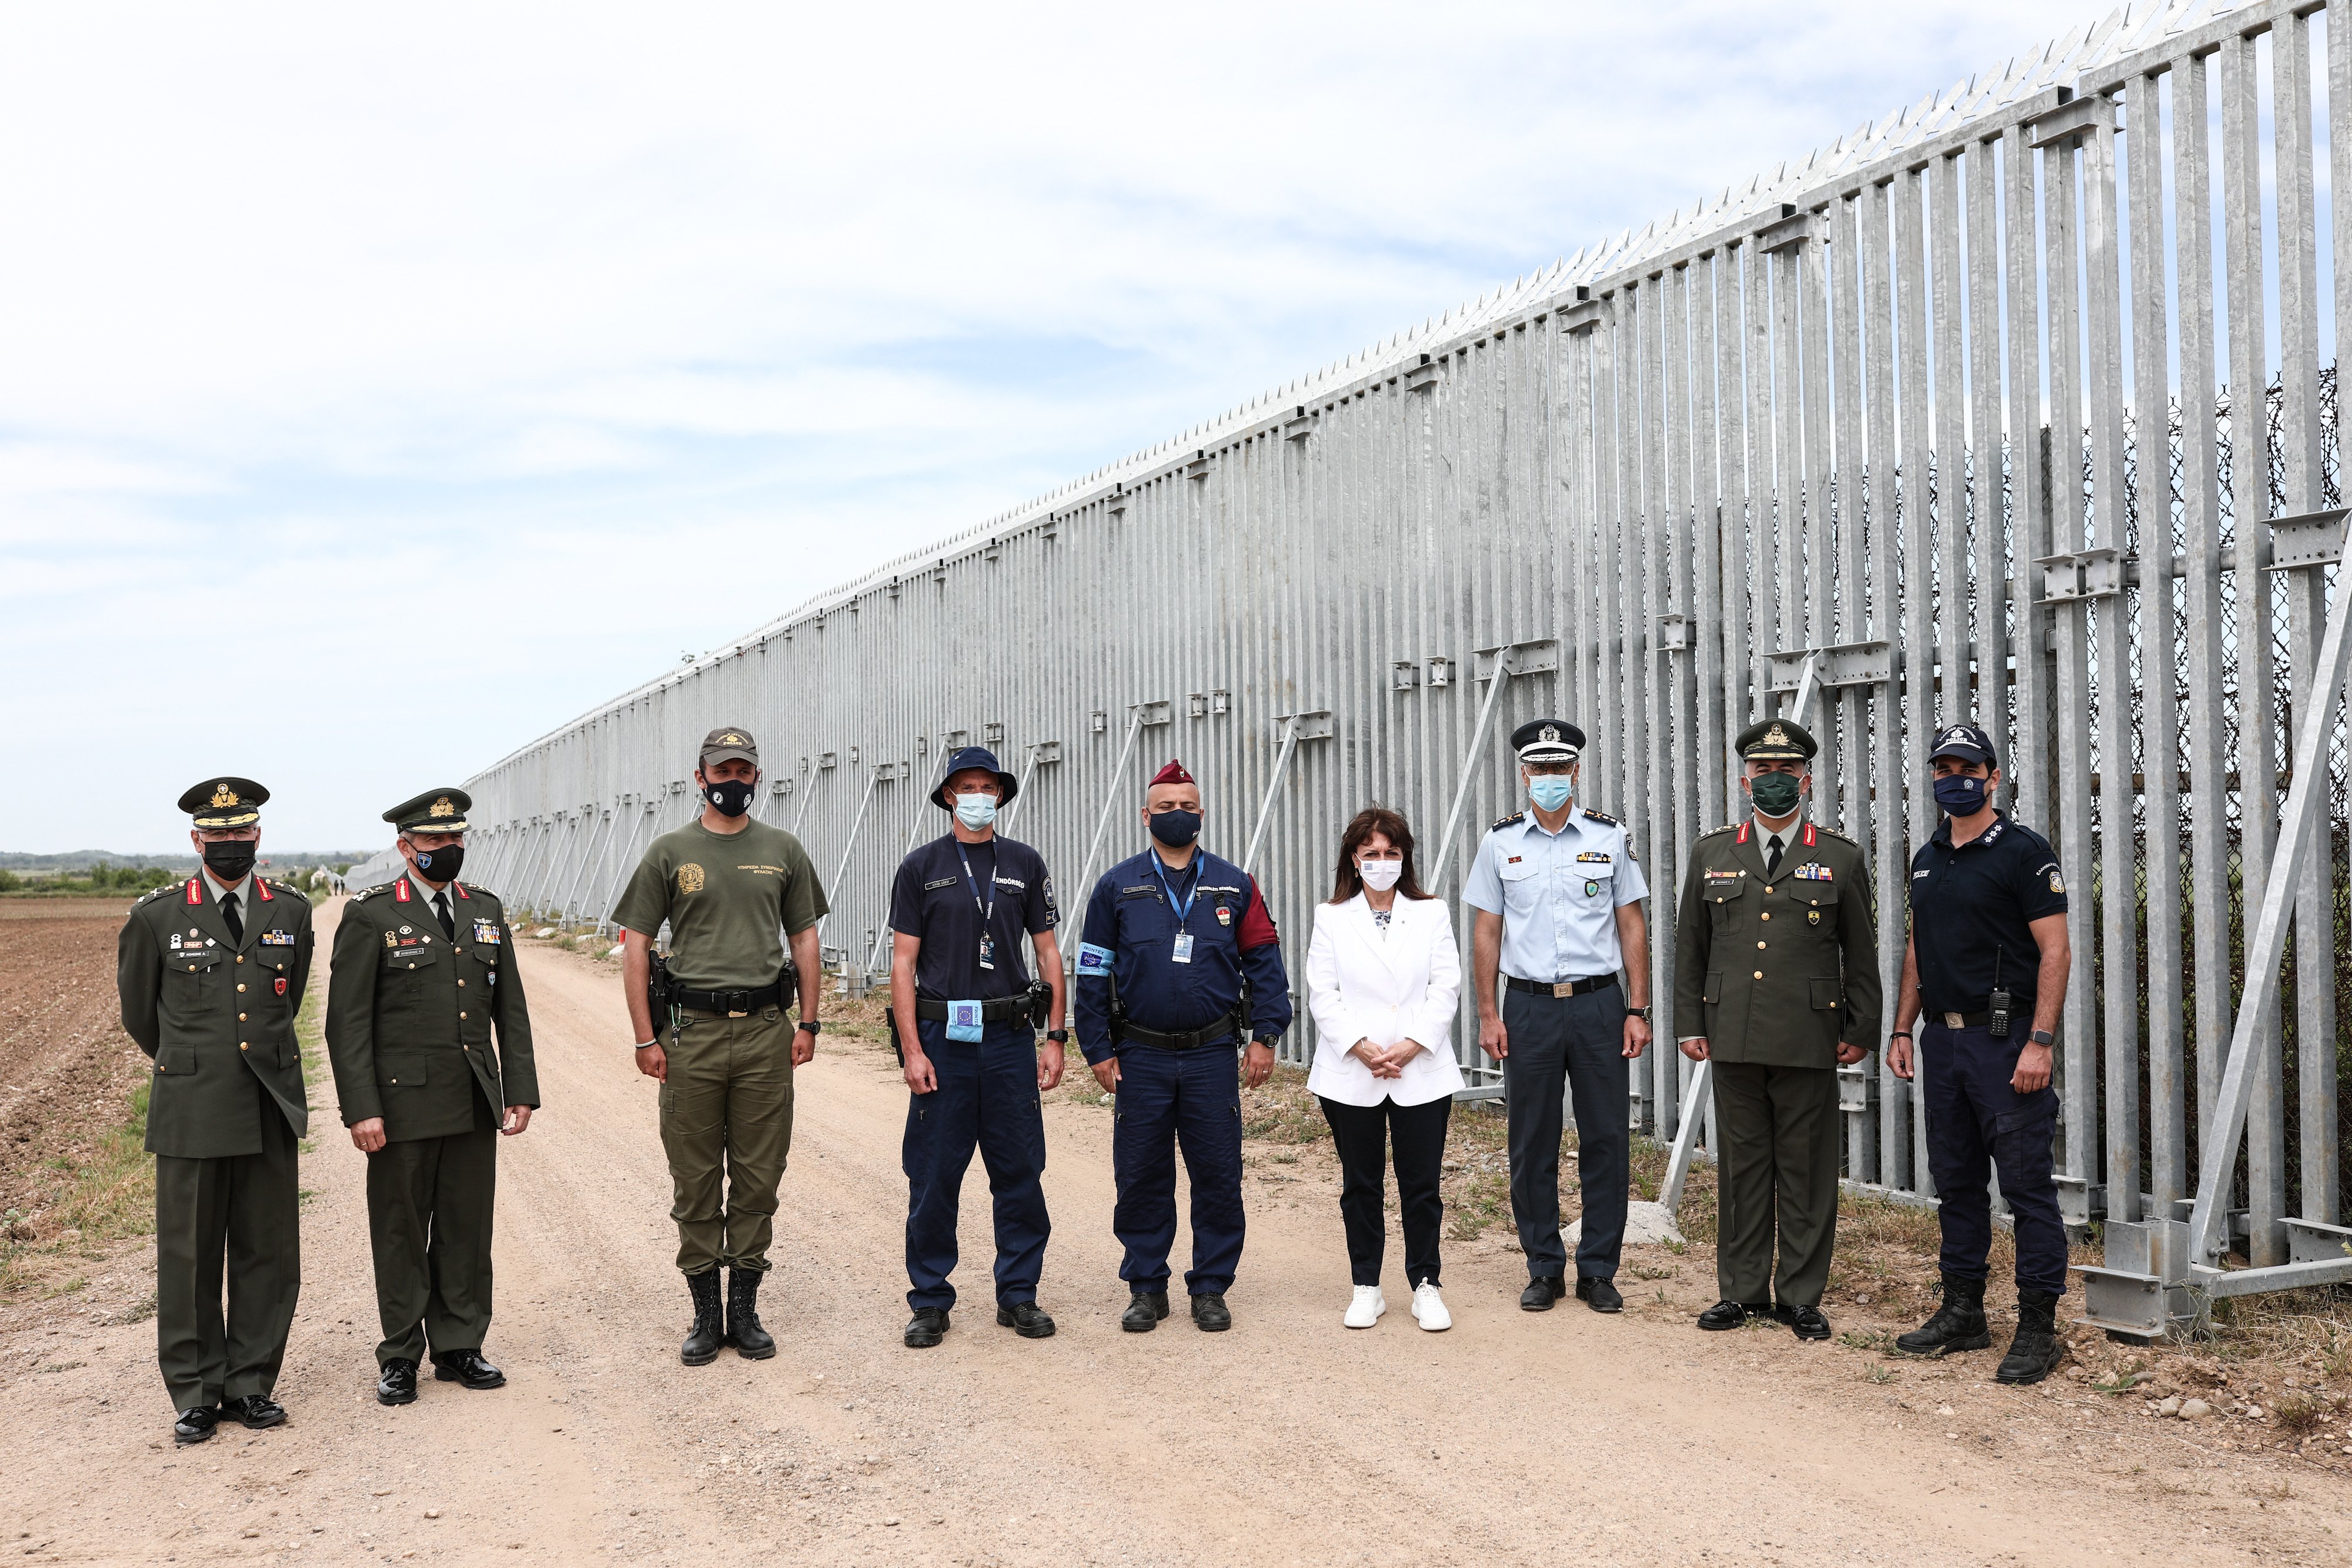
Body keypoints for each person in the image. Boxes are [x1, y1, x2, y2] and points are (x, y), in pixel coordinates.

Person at [613, 727, 827, 1366]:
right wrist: (644, 1038)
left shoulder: (782, 849)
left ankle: (746, 1311)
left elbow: (805, 940)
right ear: (699, 777)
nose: (732, 780)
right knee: (696, 1178)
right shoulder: (670, 851)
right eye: (721, 770)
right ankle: (706, 1315)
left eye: (744, 770)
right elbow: (636, 947)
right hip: (691, 1037)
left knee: (761, 1176)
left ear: (757, 777)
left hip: (766, 1032)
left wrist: (810, 1023)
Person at [326, 787, 537, 1407]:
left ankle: (459, 1346)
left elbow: (511, 1009)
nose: (447, 850)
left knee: (465, 1230)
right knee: (399, 1231)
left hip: (471, 1098)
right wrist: (360, 1106)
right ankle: (399, 1355)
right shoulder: (371, 915)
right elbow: (349, 1024)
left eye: (455, 839)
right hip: (399, 1107)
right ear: (405, 847)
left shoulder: (484, 909)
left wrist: (518, 1088)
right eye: (433, 841)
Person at [116, 779, 313, 1445]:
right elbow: (143, 1017)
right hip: (193, 1106)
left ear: (257, 836)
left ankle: (250, 1383)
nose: (230, 845)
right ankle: (198, 1392)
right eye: (217, 836)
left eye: (241, 834)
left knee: (267, 1250)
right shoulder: (156, 917)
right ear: (196, 840)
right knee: (190, 1254)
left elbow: (288, 999)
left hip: (267, 1099)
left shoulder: (291, 909)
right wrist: (196, 1062)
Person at [1672, 719, 1880, 1341]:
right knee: (1741, 1168)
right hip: (1731, 1032)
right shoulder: (1712, 853)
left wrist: (1861, 1027)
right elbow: (1691, 946)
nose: (1774, 781)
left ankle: (1799, 1297)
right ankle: (1739, 1294)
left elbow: (1860, 953)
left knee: (1806, 1171)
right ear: (1744, 780)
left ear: (1806, 780)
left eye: (1785, 772)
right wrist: (1689, 1022)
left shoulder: (1838, 857)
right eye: (1763, 772)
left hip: (1809, 1036)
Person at [1073, 758, 1294, 1332]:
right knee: (1142, 1173)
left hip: (1211, 1056)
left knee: (1218, 1174)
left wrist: (1266, 1036)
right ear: (1145, 815)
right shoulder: (1115, 887)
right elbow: (1092, 973)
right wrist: (1096, 1047)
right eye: (1166, 808)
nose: (1178, 815)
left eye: (1188, 807)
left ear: (1202, 814)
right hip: (1140, 1056)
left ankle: (1211, 1287)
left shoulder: (1233, 884)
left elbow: (1265, 964)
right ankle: (1147, 1287)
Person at [1887, 723, 2072, 1385]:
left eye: (1968, 768)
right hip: (1944, 1039)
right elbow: (1917, 949)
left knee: (2025, 1187)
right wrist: (1902, 1029)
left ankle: (2037, 1327)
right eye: (1943, 769)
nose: (1954, 778)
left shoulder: (2022, 852)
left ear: (1994, 776)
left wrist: (2040, 1042)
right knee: (1956, 1181)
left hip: (2007, 1044)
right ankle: (1963, 1312)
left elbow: (2055, 950)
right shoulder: (1928, 855)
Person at [1465, 718, 1653, 1314]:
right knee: (1531, 1140)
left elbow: (1631, 925)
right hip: (1527, 1007)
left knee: (1605, 1138)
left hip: (1599, 1004)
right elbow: (1486, 931)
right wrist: (1489, 1013)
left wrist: (1637, 1008)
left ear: (1575, 772)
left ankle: (1598, 1270)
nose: (1548, 778)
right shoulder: (1499, 843)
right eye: (1538, 769)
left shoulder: (1608, 836)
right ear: (1524, 774)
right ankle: (1543, 1266)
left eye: (1558, 768)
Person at [886, 745, 1067, 1349]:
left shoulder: (1024, 863)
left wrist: (1056, 1037)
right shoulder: (921, 867)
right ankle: (931, 1300)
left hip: (1010, 1038)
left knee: (1018, 1171)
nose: (977, 796)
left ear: (1000, 796)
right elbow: (903, 963)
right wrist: (912, 1050)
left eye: (987, 786)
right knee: (935, 1173)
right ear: (946, 796)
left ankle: (1018, 1295)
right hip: (943, 1040)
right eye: (966, 786)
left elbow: (1046, 953)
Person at [1304, 807, 1464, 1332]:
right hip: (1354, 1069)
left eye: (1390, 853)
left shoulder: (1432, 912)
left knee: (1422, 1185)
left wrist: (1414, 1044)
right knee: (1361, 1184)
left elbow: (1446, 985)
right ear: (1354, 857)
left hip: (1421, 1068)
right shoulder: (1331, 916)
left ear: (1405, 858)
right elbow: (1321, 993)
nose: (1380, 862)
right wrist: (1361, 1046)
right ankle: (1366, 1285)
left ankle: (1426, 1285)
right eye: (1370, 853)